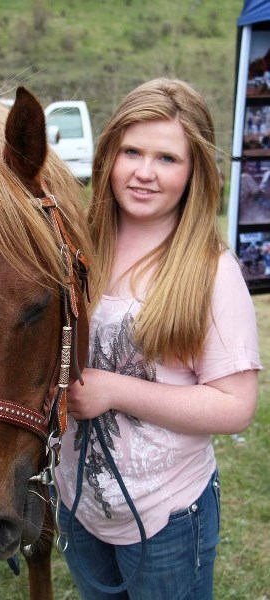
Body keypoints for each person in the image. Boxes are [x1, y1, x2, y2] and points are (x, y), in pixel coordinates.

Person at [55, 78, 261, 600]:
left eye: (167, 159)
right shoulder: (75, 247)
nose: (145, 173)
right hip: (77, 504)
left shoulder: (210, 273)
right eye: (131, 151)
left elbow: (235, 408)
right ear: (108, 157)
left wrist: (115, 390)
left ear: (194, 173)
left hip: (167, 514)